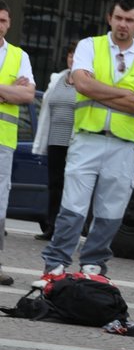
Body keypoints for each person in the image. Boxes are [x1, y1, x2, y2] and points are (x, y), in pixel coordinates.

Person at [39, 0, 134, 286]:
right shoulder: (88, 46)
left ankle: (93, 265)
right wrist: (123, 93)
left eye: (129, 20)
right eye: (118, 17)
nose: (123, 25)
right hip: (87, 139)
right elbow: (81, 82)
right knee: (73, 207)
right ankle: (55, 265)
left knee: (110, 212)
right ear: (109, 18)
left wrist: (97, 90)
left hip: (124, 145)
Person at [0, 0, 37, 287]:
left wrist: (13, 92)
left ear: (9, 23)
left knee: (0, 205)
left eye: (2, 20)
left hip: (4, 141)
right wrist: (10, 89)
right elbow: (18, 93)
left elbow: (27, 96)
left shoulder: (18, 55)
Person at [31, 53, 75, 240]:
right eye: (71, 56)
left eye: (77, 56)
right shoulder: (57, 79)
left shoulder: (87, 82)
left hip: (74, 143)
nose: (73, 60)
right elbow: (46, 111)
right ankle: (51, 226)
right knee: (55, 185)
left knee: (71, 187)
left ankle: (67, 229)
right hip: (55, 141)